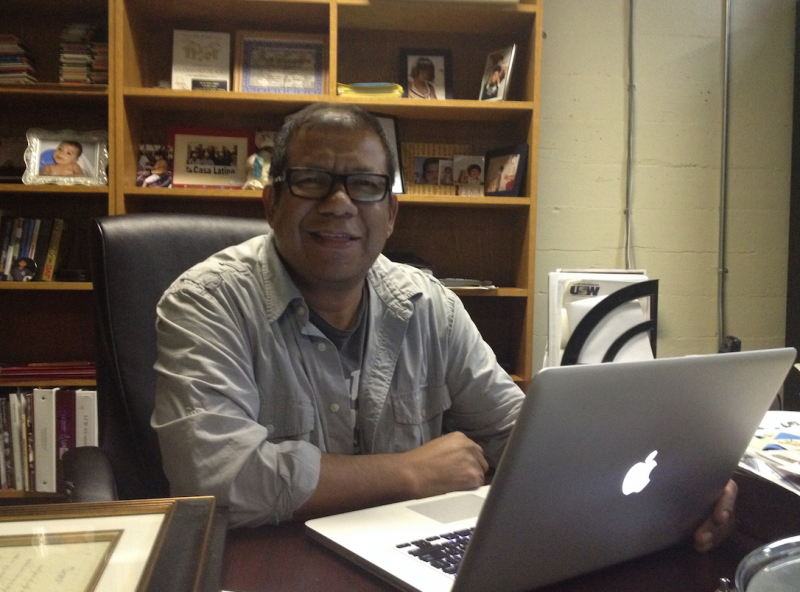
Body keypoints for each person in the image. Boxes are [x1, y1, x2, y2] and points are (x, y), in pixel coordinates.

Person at [151, 103, 736, 552]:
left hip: (402, 555)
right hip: (265, 564)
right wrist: (408, 471)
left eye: (365, 185)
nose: (339, 203)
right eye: (310, 181)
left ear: (391, 213)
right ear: (272, 202)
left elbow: (516, 434)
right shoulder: (206, 303)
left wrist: (671, 489)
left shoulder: (427, 305)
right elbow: (218, 476)